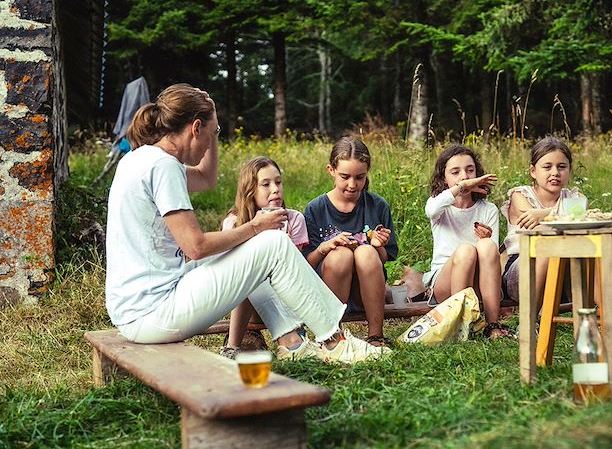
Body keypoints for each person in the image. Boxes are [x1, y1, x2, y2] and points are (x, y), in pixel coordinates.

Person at [104, 84, 385, 364]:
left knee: (250, 250)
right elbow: (196, 246)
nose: (210, 143)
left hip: (136, 308)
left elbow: (206, 178)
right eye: (212, 133)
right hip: (153, 312)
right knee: (271, 243)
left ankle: (293, 342)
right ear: (195, 128)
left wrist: (211, 128)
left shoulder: (140, 158)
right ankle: (335, 342)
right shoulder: (163, 167)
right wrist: (255, 227)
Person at [220, 156, 330, 361]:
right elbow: (232, 274)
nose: (275, 189)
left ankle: (292, 338)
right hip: (247, 303)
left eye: (278, 182)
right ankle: (283, 340)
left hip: (286, 297)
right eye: (266, 184)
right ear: (250, 190)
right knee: (250, 267)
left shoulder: (294, 219)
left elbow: (297, 275)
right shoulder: (235, 223)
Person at [303, 136, 398, 349]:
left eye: (360, 177)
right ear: (331, 170)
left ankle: (376, 336)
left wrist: (378, 246)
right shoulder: (316, 209)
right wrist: (324, 247)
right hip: (329, 287)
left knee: (365, 253)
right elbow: (305, 263)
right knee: (340, 255)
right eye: (345, 176)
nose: (352, 185)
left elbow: (387, 257)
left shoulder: (377, 206)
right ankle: (331, 337)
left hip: (367, 290)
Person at [424, 144, 511, 339]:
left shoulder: (488, 210)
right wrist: (461, 187)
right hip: (444, 284)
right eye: (455, 172)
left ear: (477, 174)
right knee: (465, 251)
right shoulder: (439, 205)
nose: (464, 176)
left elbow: (492, 258)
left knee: (488, 246)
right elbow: (430, 211)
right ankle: (459, 325)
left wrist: (484, 240)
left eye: (470, 170)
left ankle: (492, 325)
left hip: (479, 283)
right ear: (444, 180)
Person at [501, 136, 580, 308]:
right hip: (523, 269)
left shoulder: (574, 197)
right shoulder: (520, 196)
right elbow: (539, 230)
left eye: (562, 167)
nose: (555, 173)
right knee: (545, 246)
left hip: (563, 270)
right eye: (547, 167)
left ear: (569, 170)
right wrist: (566, 220)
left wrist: (544, 213)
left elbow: (582, 219)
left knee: (592, 249)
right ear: (533, 172)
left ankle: (603, 315)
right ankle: (532, 319)